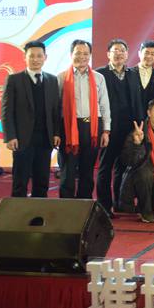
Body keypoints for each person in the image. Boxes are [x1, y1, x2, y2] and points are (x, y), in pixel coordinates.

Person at [0, 40, 61, 198]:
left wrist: (56, 133)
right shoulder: (14, 80)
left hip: (45, 139)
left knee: (42, 181)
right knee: (20, 181)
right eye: (31, 56)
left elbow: (56, 110)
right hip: (22, 139)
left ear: (45, 57)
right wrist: (10, 136)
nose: (35, 59)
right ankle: (17, 212)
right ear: (25, 57)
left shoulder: (52, 80)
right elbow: (6, 111)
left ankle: (38, 211)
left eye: (39, 56)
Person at [96, 39, 145, 215]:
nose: (119, 54)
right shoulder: (100, 74)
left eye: (122, 51)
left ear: (127, 54)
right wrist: (103, 128)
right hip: (108, 128)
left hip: (128, 128)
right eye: (115, 50)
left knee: (122, 167)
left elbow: (137, 100)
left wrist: (139, 124)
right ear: (108, 54)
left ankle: (119, 202)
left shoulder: (133, 74)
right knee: (105, 167)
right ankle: (104, 205)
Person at [57, 39, 111, 199]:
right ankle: (66, 205)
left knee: (87, 171)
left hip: (92, 128)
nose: (82, 56)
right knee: (68, 171)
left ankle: (84, 204)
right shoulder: (61, 78)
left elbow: (104, 105)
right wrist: (56, 132)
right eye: (78, 53)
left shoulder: (99, 78)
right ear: (71, 54)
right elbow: (55, 108)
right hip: (68, 128)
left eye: (85, 53)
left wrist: (106, 130)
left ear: (90, 55)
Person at [130, 41, 154, 110]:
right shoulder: (127, 74)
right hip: (129, 115)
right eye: (146, 53)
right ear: (139, 53)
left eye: (152, 54)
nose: (149, 56)